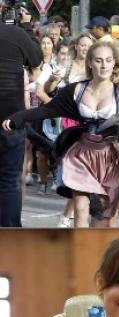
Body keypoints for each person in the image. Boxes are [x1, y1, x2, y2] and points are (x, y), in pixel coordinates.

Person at [4, 42, 119, 227]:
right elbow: (48, 110)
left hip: (110, 157)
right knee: (81, 207)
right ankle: (80, 253)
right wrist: (17, 118)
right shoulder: (76, 90)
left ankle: (99, 253)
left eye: (108, 60)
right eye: (98, 60)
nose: (104, 65)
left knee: (104, 217)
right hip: (81, 154)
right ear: (90, 63)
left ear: (114, 64)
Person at [0, 12, 43, 227]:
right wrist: (26, 27)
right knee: (9, 182)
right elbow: (37, 58)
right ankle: (9, 236)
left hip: (11, 121)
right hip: (10, 120)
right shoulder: (15, 32)